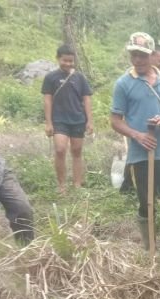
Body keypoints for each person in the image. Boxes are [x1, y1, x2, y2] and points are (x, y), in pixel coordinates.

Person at [110, 32, 160, 260]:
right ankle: (149, 248)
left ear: (152, 56)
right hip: (140, 155)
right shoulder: (124, 84)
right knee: (146, 203)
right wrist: (138, 135)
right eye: (134, 55)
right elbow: (115, 120)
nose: (137, 60)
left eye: (142, 56)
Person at [42, 44, 93, 193]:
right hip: (59, 120)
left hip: (78, 119)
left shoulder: (80, 78)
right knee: (60, 149)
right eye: (65, 60)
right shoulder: (50, 77)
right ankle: (62, 185)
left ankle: (77, 184)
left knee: (77, 151)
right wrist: (48, 122)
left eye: (71, 61)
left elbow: (87, 99)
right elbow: (47, 100)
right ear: (58, 59)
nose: (68, 64)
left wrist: (89, 120)